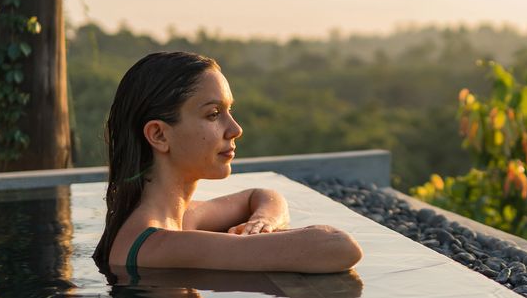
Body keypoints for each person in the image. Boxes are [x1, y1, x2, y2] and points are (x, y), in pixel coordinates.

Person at [92, 52, 362, 276]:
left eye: (229, 111)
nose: (235, 129)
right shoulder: (160, 244)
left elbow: (261, 196)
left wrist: (263, 221)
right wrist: (266, 241)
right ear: (159, 135)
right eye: (213, 114)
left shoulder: (180, 219)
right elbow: (337, 247)